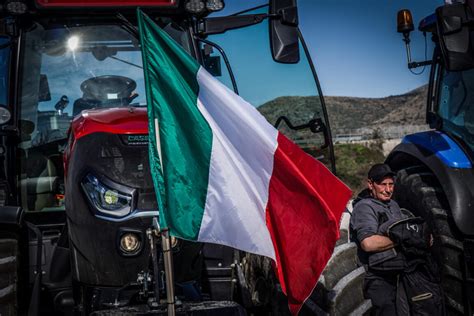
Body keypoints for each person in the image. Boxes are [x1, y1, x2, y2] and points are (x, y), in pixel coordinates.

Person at [350, 163, 405, 316]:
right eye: (383, 185)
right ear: (370, 184)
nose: (388, 190)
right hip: (377, 276)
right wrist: (406, 239)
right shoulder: (364, 207)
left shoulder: (393, 205)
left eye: (391, 184)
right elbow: (368, 243)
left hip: (399, 269)